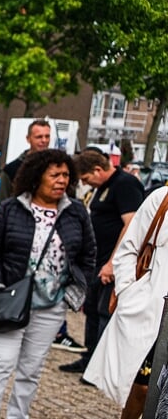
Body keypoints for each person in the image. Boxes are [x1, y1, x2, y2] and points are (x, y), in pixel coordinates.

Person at [0, 148, 93, 419]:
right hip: (12, 300)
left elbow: (88, 254)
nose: (62, 180)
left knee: (31, 368)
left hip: (51, 306)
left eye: (66, 175)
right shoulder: (12, 209)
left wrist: (74, 291)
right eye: (55, 175)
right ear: (37, 177)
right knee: (2, 363)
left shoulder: (75, 211)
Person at [85, 185, 168, 419]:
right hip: (155, 311)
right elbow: (128, 248)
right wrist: (129, 292)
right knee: (144, 387)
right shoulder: (161, 199)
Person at [1, 119, 86, 354]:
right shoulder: (12, 169)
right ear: (29, 139)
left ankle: (59, 333)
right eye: (39, 137)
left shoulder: (62, 169)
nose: (44, 141)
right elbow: (2, 205)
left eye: (47, 136)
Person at [60, 149, 144, 374]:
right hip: (97, 261)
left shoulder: (125, 184)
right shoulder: (104, 187)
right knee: (92, 310)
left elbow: (131, 224)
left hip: (112, 263)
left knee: (104, 312)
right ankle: (89, 360)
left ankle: (101, 367)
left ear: (97, 170)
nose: (88, 184)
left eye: (87, 179)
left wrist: (113, 263)